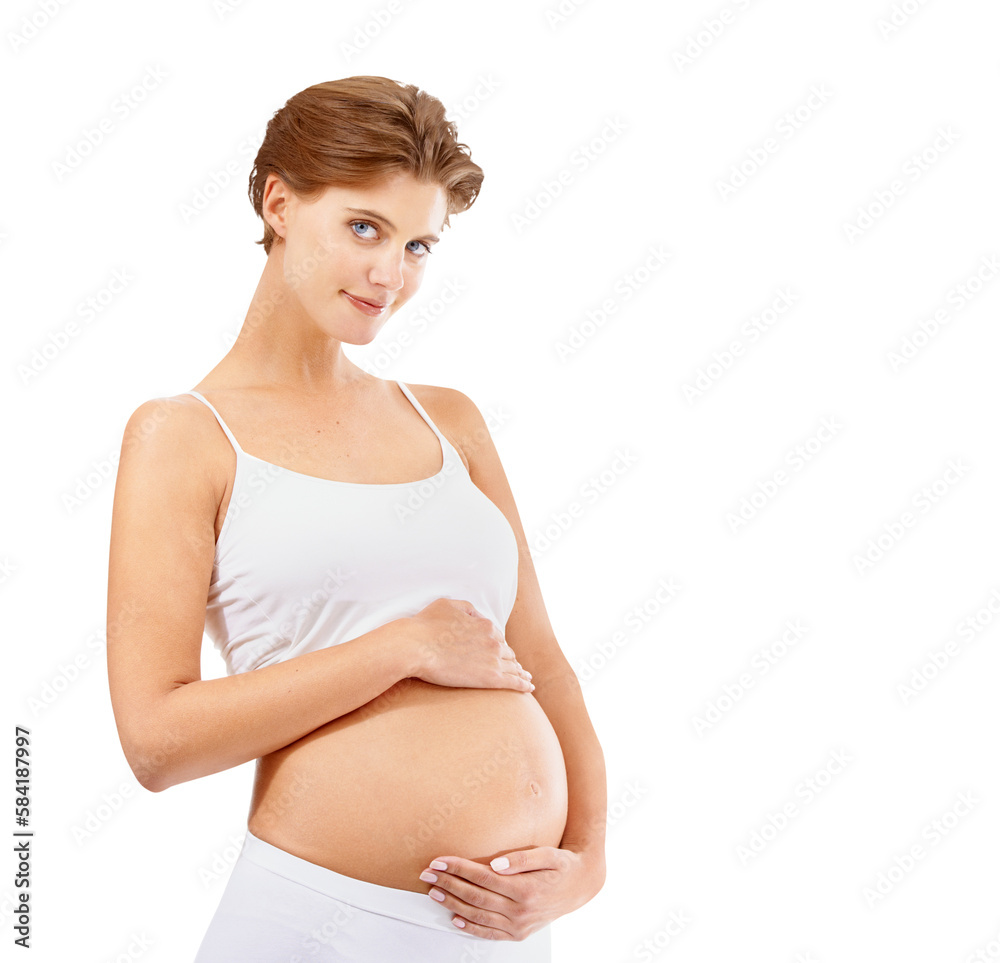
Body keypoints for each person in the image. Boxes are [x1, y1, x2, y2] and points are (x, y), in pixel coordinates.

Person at [106, 75, 607, 962]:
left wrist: (590, 860)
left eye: (419, 243)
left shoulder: (449, 419)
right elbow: (156, 740)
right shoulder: (183, 436)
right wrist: (402, 647)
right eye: (365, 228)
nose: (391, 273)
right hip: (315, 923)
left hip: (503, 934)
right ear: (281, 203)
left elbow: (546, 665)